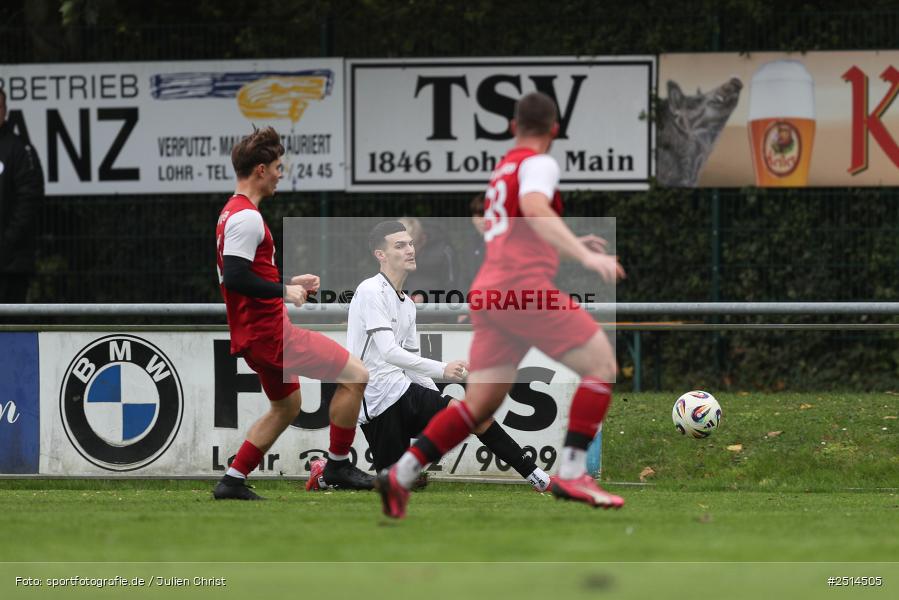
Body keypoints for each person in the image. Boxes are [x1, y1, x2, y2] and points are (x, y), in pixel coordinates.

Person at [375, 92, 626, 518]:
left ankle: (401, 474)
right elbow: (534, 208)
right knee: (601, 366)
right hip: (521, 289)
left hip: (490, 293)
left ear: (512, 127)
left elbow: (520, 233)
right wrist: (587, 257)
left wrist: (570, 244)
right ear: (554, 130)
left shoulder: (504, 169)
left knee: (478, 406)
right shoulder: (538, 163)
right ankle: (572, 472)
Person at [306, 221, 550, 492]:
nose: (410, 250)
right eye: (400, 245)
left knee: (475, 417)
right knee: (396, 485)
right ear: (381, 255)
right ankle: (324, 474)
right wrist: (444, 369)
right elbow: (389, 352)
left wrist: (438, 402)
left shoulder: (408, 305)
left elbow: (412, 364)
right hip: (375, 401)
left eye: (410, 244)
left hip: (402, 390)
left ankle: (539, 478)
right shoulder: (370, 290)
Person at [213, 126, 373, 500]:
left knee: (286, 406)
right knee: (356, 375)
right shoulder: (246, 217)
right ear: (261, 170)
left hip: (255, 334)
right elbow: (235, 277)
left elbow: (245, 272)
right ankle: (337, 466)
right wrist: (285, 291)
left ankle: (232, 481)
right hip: (272, 335)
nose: (280, 175)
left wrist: (286, 281)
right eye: (278, 168)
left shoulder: (231, 213)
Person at [0, 88, 44, 303]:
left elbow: (29, 199)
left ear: (5, 111)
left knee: (9, 322)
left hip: (10, 266)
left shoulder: (19, 149)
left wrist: (6, 242)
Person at [398, 216, 458, 304]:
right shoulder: (394, 253)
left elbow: (453, 289)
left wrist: (427, 298)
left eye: (412, 246)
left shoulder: (444, 252)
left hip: (435, 309)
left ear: (423, 239)